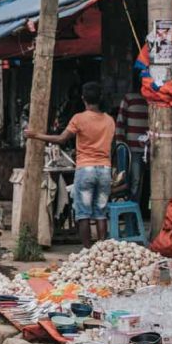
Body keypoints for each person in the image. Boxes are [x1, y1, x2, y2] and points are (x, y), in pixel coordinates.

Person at [25, 81, 115, 249]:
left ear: (83, 99)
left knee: (83, 214)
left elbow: (61, 139)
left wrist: (36, 135)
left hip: (86, 169)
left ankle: (87, 252)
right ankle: (102, 251)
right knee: (101, 213)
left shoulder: (79, 118)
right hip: (104, 170)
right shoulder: (109, 120)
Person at [114, 83, 149, 201]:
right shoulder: (129, 98)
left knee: (140, 182)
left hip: (149, 149)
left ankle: (135, 212)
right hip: (132, 149)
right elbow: (120, 123)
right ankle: (131, 214)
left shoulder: (153, 99)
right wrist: (120, 146)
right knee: (134, 181)